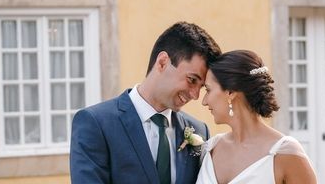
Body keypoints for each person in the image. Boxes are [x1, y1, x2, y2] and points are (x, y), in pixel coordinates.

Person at [70, 21, 222, 184]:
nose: (195, 95)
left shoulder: (199, 131)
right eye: (192, 80)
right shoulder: (95, 124)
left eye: (202, 87)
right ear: (162, 62)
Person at [196, 50, 317, 184]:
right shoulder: (212, 148)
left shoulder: (284, 152)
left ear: (230, 92)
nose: (204, 101)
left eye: (208, 90)